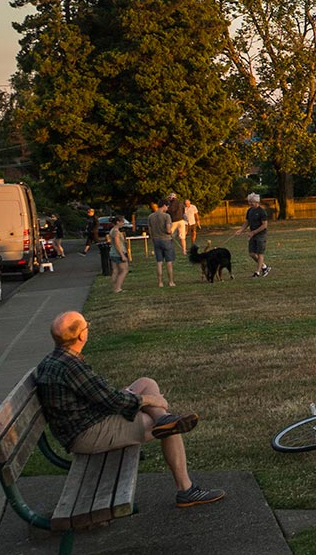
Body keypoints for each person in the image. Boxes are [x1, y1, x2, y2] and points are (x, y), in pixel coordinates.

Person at [34, 311, 224, 508]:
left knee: (146, 383)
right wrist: (149, 399)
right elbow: (112, 400)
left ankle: (163, 419)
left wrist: (140, 398)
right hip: (86, 434)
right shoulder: (71, 366)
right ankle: (186, 489)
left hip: (87, 419)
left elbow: (98, 395)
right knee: (173, 426)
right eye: (86, 325)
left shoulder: (55, 359)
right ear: (82, 335)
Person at [143, 199, 177, 288]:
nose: (167, 208)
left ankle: (160, 283)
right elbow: (168, 230)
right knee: (169, 262)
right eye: (167, 206)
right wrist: (171, 232)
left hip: (156, 240)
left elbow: (150, 230)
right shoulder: (166, 216)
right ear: (164, 205)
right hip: (166, 240)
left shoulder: (150, 216)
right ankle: (171, 282)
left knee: (159, 262)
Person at [239, 192, 271, 277]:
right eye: (249, 202)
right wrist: (241, 230)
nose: (250, 203)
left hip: (261, 234)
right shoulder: (249, 211)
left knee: (260, 253)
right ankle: (264, 267)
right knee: (251, 253)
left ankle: (257, 272)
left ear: (257, 202)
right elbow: (247, 222)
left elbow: (264, 225)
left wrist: (254, 232)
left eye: (252, 202)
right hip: (252, 234)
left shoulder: (262, 212)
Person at [105, 215, 131, 293]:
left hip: (112, 252)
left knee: (116, 270)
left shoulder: (112, 230)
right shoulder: (116, 232)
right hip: (118, 253)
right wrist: (122, 255)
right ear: (117, 222)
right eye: (122, 222)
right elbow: (117, 244)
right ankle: (118, 288)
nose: (123, 223)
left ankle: (114, 287)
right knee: (124, 270)